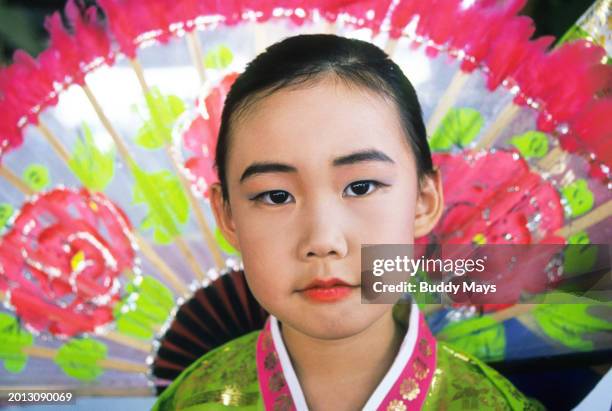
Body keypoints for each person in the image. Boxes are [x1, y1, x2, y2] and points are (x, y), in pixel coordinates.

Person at [152, 34, 542, 411]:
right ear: (228, 215)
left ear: (423, 202)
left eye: (360, 186)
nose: (323, 240)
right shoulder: (189, 403)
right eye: (275, 195)